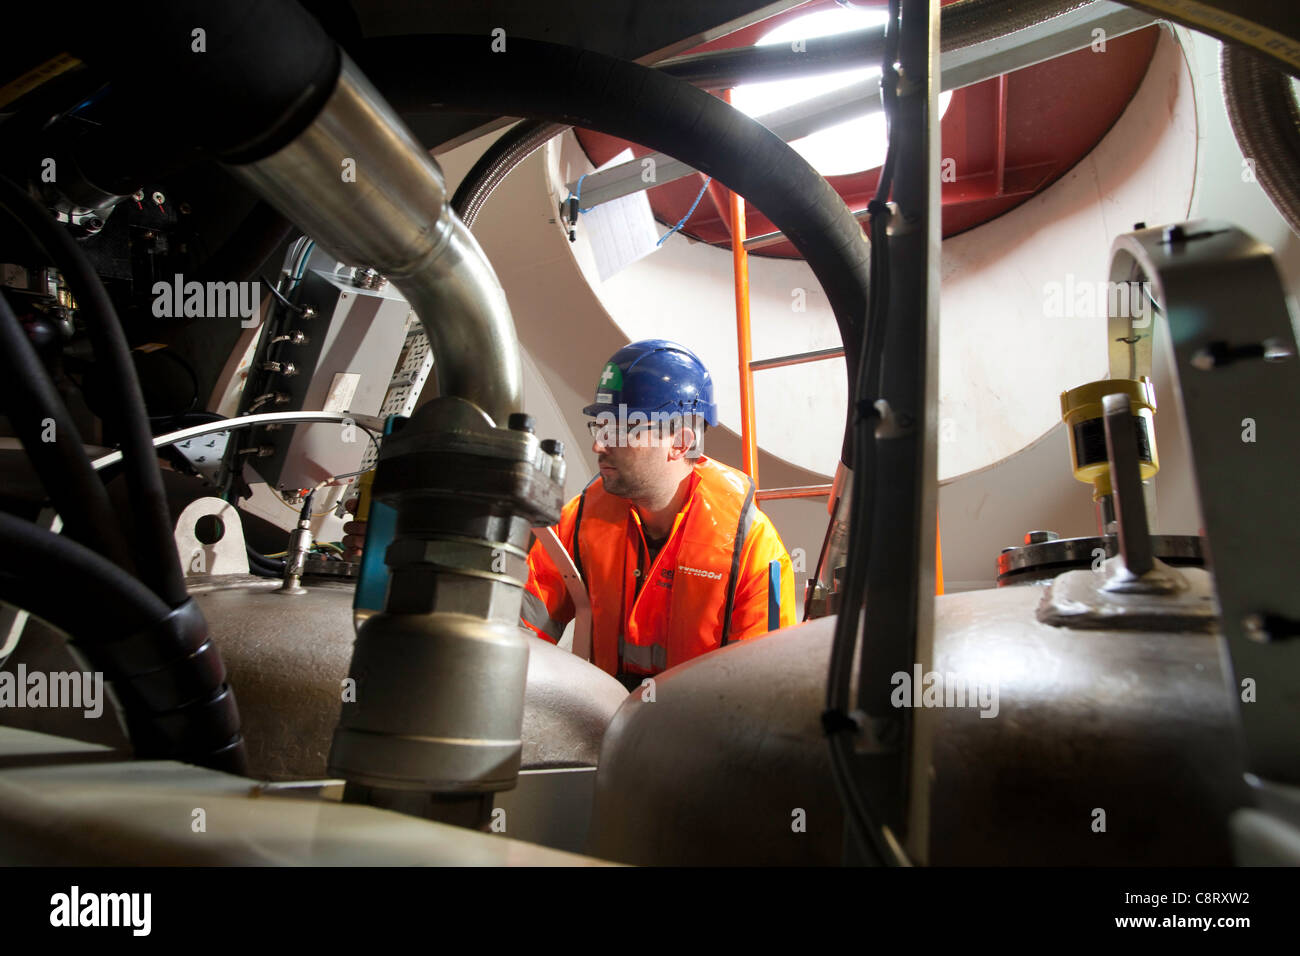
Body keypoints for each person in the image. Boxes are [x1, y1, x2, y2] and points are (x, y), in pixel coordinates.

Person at [521, 339, 795, 690]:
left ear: (680, 443)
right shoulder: (579, 520)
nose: (599, 444)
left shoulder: (753, 550)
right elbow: (520, 633)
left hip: (700, 736)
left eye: (620, 429)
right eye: (600, 426)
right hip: (606, 729)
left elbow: (762, 697)